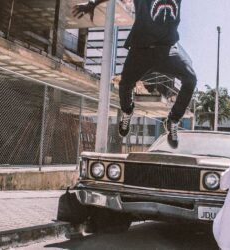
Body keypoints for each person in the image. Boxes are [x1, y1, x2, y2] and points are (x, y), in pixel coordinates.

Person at [72, 0, 197, 148]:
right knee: (125, 84)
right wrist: (93, 3)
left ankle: (173, 120)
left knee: (190, 79)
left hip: (167, 50)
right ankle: (127, 111)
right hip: (140, 50)